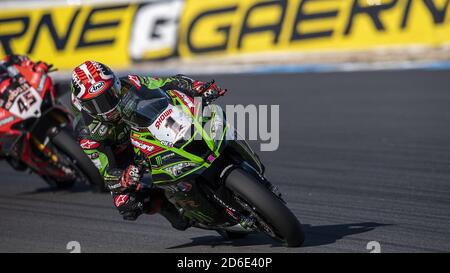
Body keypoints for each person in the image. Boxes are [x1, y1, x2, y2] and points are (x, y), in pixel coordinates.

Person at [70, 60, 226, 229]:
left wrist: (197, 87)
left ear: (115, 84)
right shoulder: (87, 133)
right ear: (82, 106)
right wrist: (123, 177)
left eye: (109, 95)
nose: (107, 107)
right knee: (126, 203)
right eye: (96, 104)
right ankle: (171, 207)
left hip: (149, 128)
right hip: (126, 155)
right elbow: (106, 172)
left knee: (199, 114)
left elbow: (168, 83)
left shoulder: (130, 83)